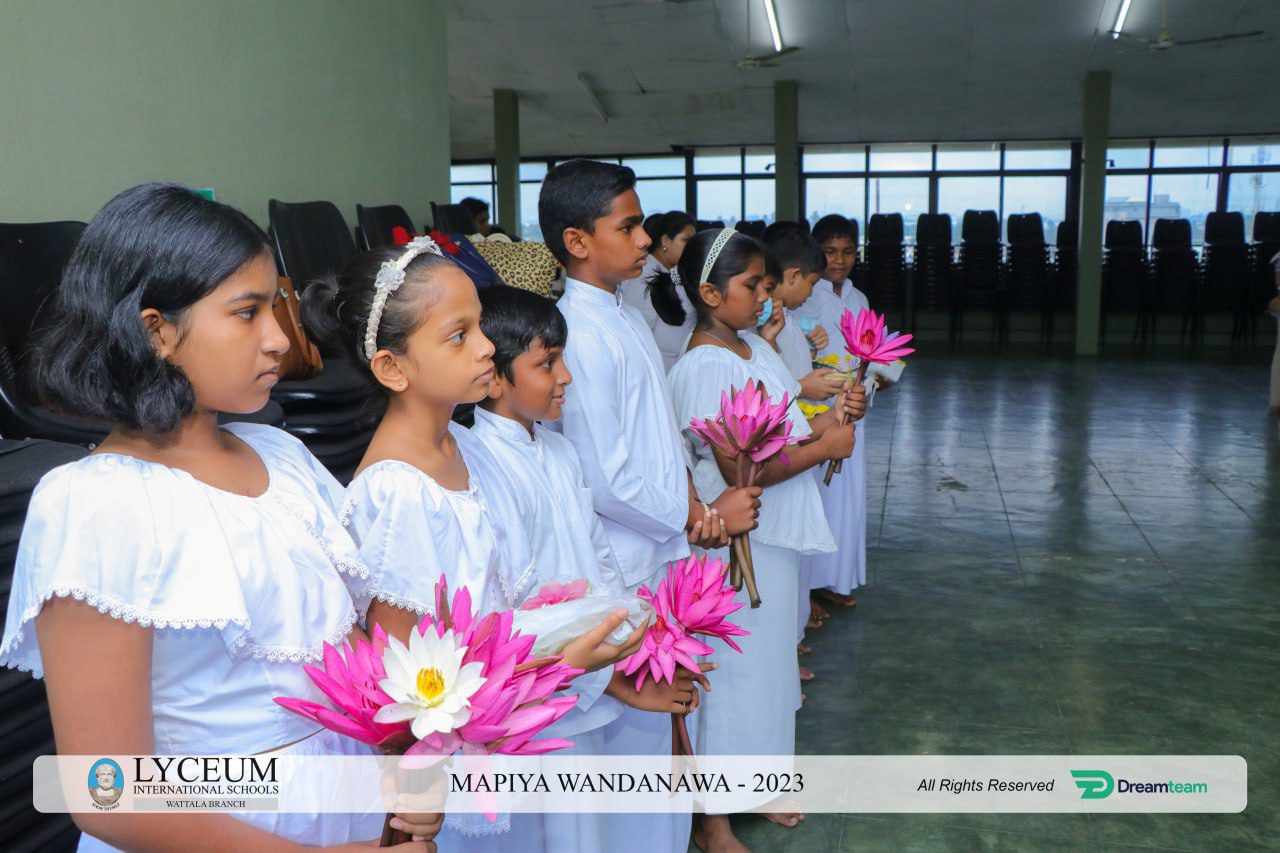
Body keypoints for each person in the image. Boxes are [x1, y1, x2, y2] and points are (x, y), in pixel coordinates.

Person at [0, 184, 432, 851]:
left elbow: (359, 658)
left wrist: (409, 788)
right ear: (157, 330)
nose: (276, 340)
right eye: (246, 312)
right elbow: (104, 789)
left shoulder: (283, 457)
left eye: (276, 306)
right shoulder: (96, 505)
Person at [303, 240, 642, 849]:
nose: (486, 346)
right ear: (392, 368)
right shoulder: (399, 491)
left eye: (479, 325)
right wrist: (559, 662)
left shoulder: (460, 451)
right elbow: (404, 690)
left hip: (497, 735)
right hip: (449, 768)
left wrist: (550, 619)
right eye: (458, 335)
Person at [538, 159, 760, 853]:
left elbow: (656, 438)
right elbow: (604, 476)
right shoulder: (577, 327)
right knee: (630, 738)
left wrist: (691, 500)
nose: (644, 240)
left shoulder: (624, 313)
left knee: (661, 723)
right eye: (627, 226)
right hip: (626, 558)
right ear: (578, 240)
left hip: (659, 545)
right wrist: (693, 516)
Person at [475, 285, 720, 853]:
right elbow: (525, 606)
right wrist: (608, 673)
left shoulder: (558, 453)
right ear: (494, 376)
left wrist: (639, 636)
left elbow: (600, 561)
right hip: (551, 682)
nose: (565, 377)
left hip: (592, 665)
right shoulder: (483, 464)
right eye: (547, 364)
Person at [663, 227, 863, 851]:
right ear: (709, 293)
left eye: (768, 285)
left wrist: (831, 417)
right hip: (734, 540)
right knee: (729, 675)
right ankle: (711, 818)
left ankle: (760, 781)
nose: (764, 296)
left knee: (770, 665)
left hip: (772, 533)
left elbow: (782, 425)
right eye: (752, 286)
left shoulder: (755, 348)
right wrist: (824, 446)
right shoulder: (704, 367)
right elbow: (738, 470)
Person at [794, 213, 873, 611]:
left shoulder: (858, 298)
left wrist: (876, 374)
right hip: (817, 408)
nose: (839, 261)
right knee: (819, 497)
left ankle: (836, 578)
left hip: (852, 406)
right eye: (829, 252)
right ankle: (810, 587)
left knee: (847, 498)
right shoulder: (806, 297)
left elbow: (869, 350)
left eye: (847, 252)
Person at [620, 210, 698, 371]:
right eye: (686, 240)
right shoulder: (645, 276)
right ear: (666, 241)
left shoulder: (671, 271)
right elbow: (637, 334)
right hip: (659, 370)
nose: (691, 248)